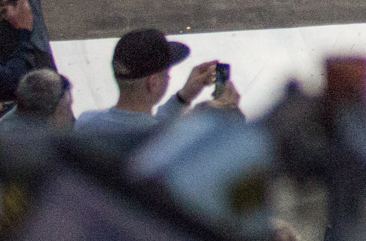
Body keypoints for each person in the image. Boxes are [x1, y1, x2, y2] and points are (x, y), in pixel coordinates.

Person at [74, 28, 242, 153]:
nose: (169, 78)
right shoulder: (171, 143)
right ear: (153, 82)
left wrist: (183, 97)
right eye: (166, 74)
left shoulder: (85, 124)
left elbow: (145, 126)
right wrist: (227, 116)